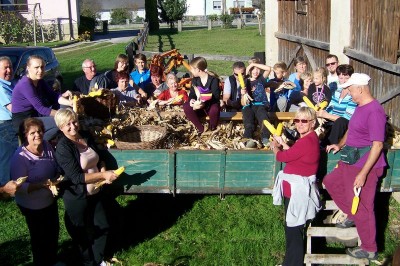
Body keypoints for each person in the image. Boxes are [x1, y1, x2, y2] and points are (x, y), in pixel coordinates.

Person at [323, 73, 386, 260]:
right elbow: (351, 128)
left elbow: (377, 145)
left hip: (364, 165)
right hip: (350, 159)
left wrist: (364, 174)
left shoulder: (374, 111)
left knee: (363, 208)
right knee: (330, 181)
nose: (348, 93)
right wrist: (340, 145)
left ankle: (369, 248)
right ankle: (353, 214)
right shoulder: (360, 107)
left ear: (360, 88)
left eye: (350, 89)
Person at [55, 108, 118, 266]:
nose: (73, 126)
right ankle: (87, 261)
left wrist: (103, 170)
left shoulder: (86, 136)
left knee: (103, 225)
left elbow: (100, 158)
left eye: (74, 121)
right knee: (81, 234)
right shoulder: (63, 148)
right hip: (77, 197)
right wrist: (103, 176)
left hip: (96, 193)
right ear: (60, 127)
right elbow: (76, 177)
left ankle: (97, 259)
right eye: (67, 124)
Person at [271, 107, 321, 266]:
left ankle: (293, 264)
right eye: (297, 120)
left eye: (304, 121)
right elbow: (295, 155)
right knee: (293, 228)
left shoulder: (306, 141)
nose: (299, 124)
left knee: (294, 229)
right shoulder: (309, 139)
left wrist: (274, 147)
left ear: (312, 123)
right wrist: (284, 143)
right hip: (295, 191)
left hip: (297, 193)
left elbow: (282, 157)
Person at [10, 118, 60, 266]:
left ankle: (51, 261)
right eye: (32, 133)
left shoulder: (47, 146)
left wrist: (57, 178)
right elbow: (19, 187)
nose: (37, 135)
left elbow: (54, 166)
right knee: (39, 239)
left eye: (39, 131)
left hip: (49, 201)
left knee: (52, 234)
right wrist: (41, 184)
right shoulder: (20, 158)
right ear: (25, 135)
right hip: (32, 206)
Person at [11, 55, 73, 141]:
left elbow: (54, 96)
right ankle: (37, 143)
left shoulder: (40, 81)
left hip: (35, 114)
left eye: (42, 67)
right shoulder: (25, 85)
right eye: (36, 67)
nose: (40, 70)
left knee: (65, 107)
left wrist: (70, 103)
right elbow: (41, 108)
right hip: (24, 120)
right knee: (60, 122)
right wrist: (63, 115)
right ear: (28, 68)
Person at [317, 64, 356, 145]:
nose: (344, 80)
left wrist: (327, 116)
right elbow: (331, 107)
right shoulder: (338, 91)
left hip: (346, 125)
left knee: (340, 122)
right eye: (341, 78)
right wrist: (323, 114)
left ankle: (330, 145)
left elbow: (347, 118)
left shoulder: (353, 95)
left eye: (346, 78)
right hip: (332, 121)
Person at [183, 57, 220, 134]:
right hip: (198, 107)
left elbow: (216, 96)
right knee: (186, 106)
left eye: (192, 69)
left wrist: (203, 103)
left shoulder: (213, 80)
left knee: (215, 108)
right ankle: (201, 129)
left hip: (209, 106)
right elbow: (192, 94)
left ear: (198, 69)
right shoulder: (195, 80)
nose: (190, 70)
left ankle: (212, 129)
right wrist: (192, 101)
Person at [241, 59, 273, 146]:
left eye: (258, 69)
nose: (256, 71)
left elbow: (268, 69)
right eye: (253, 69)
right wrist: (243, 94)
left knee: (263, 118)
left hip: (261, 104)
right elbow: (243, 103)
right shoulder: (245, 81)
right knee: (248, 121)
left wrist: (253, 64)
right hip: (249, 106)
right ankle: (248, 139)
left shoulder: (261, 79)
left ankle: (265, 138)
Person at [0, 56, 18, 187]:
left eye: (10, 67)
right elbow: (14, 108)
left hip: (9, 124)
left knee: (6, 154)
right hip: (7, 125)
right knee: (9, 154)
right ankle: (6, 186)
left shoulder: (11, 84)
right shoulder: (1, 87)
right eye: (5, 68)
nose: (9, 70)